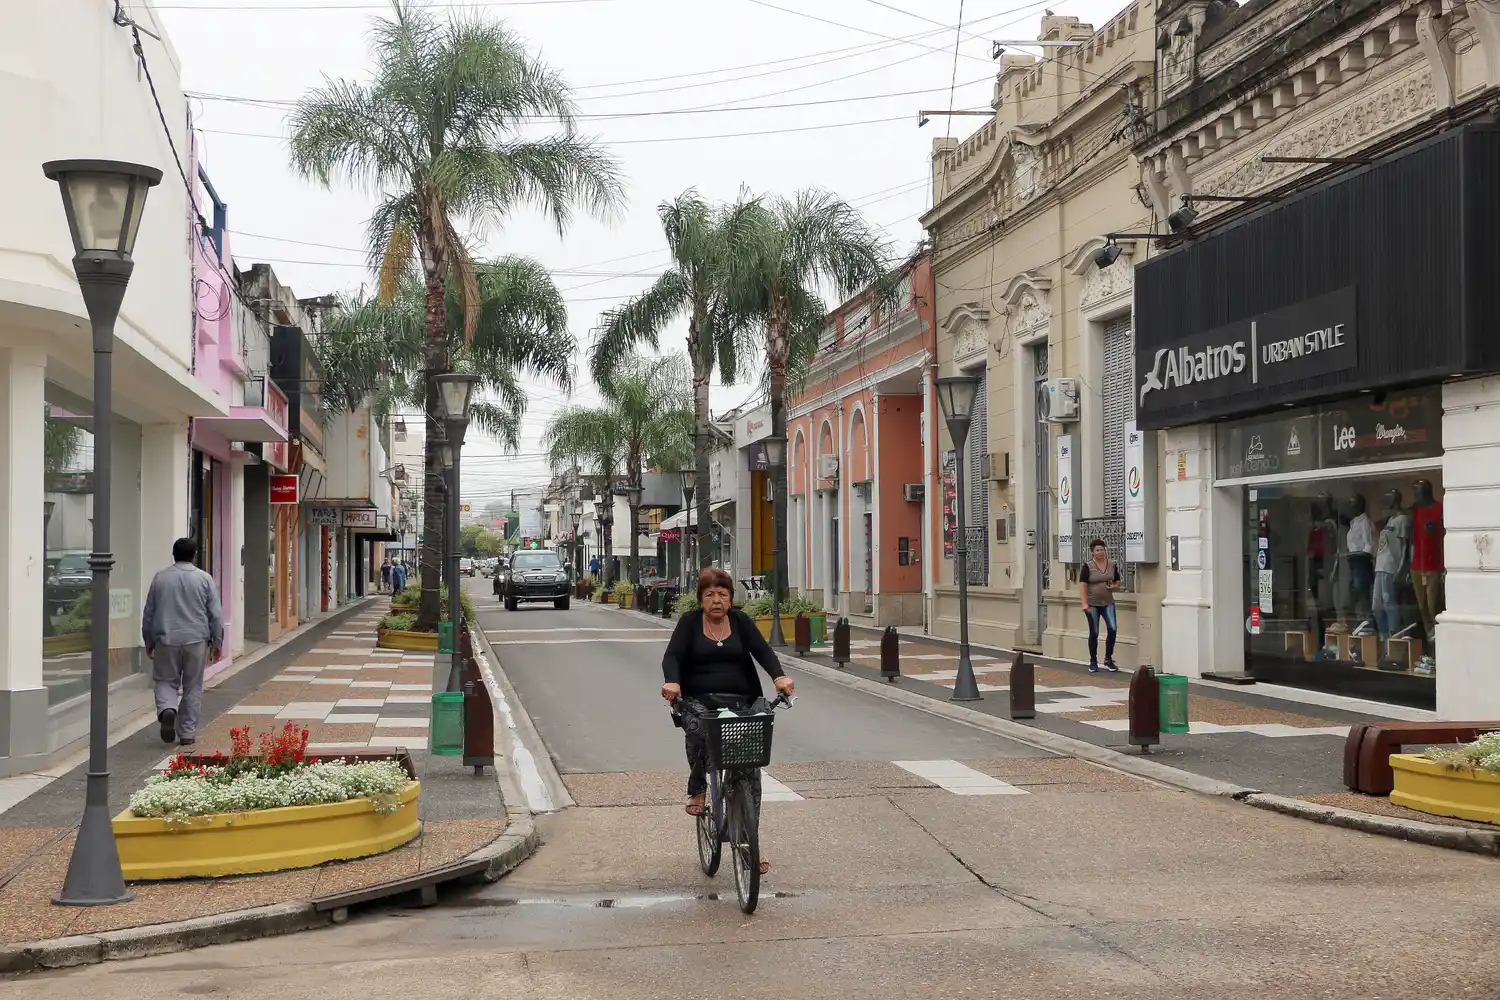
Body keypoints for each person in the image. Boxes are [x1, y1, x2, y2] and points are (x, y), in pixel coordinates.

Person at [661, 567, 794, 873]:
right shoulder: (690, 623)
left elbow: (763, 651)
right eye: (710, 595)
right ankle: (698, 787)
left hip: (742, 700)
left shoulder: (741, 622)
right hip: (699, 700)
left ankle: (750, 843)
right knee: (696, 731)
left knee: (750, 770)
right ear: (701, 599)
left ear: (731, 599)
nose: (716, 600)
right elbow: (672, 657)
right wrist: (673, 682)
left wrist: (779, 677)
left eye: (722, 594)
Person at [141, 537, 224, 747]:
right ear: (194, 555)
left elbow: (149, 613)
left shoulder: (160, 578)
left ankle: (168, 709)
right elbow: (215, 613)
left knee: (165, 680)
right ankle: (187, 732)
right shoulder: (204, 579)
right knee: (192, 686)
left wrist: (148, 639)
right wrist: (217, 641)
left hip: (166, 639)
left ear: (173, 554)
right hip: (196, 639)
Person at [1078, 538, 1122, 673]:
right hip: (1092, 604)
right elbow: (1083, 585)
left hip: (1108, 602)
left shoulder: (1112, 565)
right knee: (1094, 632)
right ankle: (1093, 661)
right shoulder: (1088, 566)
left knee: (1113, 629)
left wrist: (1113, 587)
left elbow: (1117, 583)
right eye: (1097, 550)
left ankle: (1108, 658)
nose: (1101, 552)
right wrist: (1084, 602)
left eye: (1102, 549)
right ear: (1092, 552)